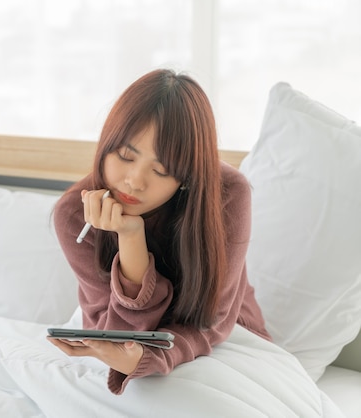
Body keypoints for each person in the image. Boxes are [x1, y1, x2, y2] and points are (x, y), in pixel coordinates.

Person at [49, 68, 271, 395]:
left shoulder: (226, 194)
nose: (135, 181)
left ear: (187, 176)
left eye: (162, 170)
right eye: (125, 156)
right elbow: (116, 334)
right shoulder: (73, 214)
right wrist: (129, 236)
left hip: (227, 338)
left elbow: (213, 323)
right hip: (136, 349)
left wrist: (149, 358)